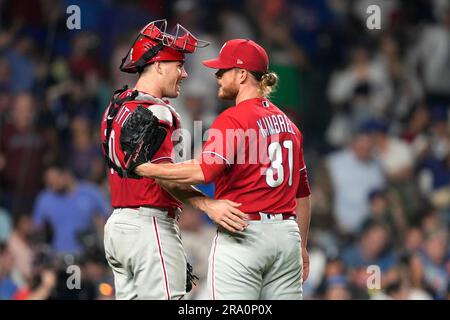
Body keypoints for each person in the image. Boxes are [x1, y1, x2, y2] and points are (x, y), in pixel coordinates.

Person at [135, 39, 312, 299]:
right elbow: (302, 194)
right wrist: (302, 246)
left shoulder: (233, 118)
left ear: (241, 75)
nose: (216, 76)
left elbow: (202, 172)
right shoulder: (288, 124)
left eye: (223, 70)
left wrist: (145, 168)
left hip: (245, 233)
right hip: (287, 236)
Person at [100, 21, 247, 300]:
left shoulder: (115, 107)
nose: (184, 73)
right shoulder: (159, 111)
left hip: (118, 228)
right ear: (158, 66)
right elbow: (164, 175)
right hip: (150, 226)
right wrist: (208, 205)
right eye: (178, 65)